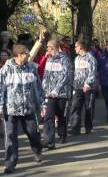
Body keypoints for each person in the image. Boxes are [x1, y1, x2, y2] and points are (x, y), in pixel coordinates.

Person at [0, 44, 45, 174]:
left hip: (28, 109)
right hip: (11, 110)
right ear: (18, 55)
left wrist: (42, 105)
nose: (28, 55)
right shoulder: (6, 69)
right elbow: (1, 89)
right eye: (26, 53)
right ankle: (10, 164)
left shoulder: (31, 67)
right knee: (10, 137)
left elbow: (38, 87)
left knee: (33, 133)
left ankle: (37, 150)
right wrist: (0, 106)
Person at [42, 39, 73, 148]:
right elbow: (45, 75)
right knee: (48, 116)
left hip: (62, 93)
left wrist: (56, 90)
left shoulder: (64, 59)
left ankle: (62, 134)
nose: (46, 49)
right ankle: (49, 141)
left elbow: (65, 76)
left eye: (48, 47)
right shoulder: (49, 59)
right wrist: (44, 90)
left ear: (53, 48)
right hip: (50, 94)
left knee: (61, 115)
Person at [69, 40, 97, 135]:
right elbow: (75, 73)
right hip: (77, 87)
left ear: (80, 47)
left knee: (88, 108)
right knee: (75, 107)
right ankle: (75, 128)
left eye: (76, 47)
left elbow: (93, 72)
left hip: (88, 88)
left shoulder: (91, 58)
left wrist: (87, 84)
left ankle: (88, 127)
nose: (75, 48)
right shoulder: (76, 59)